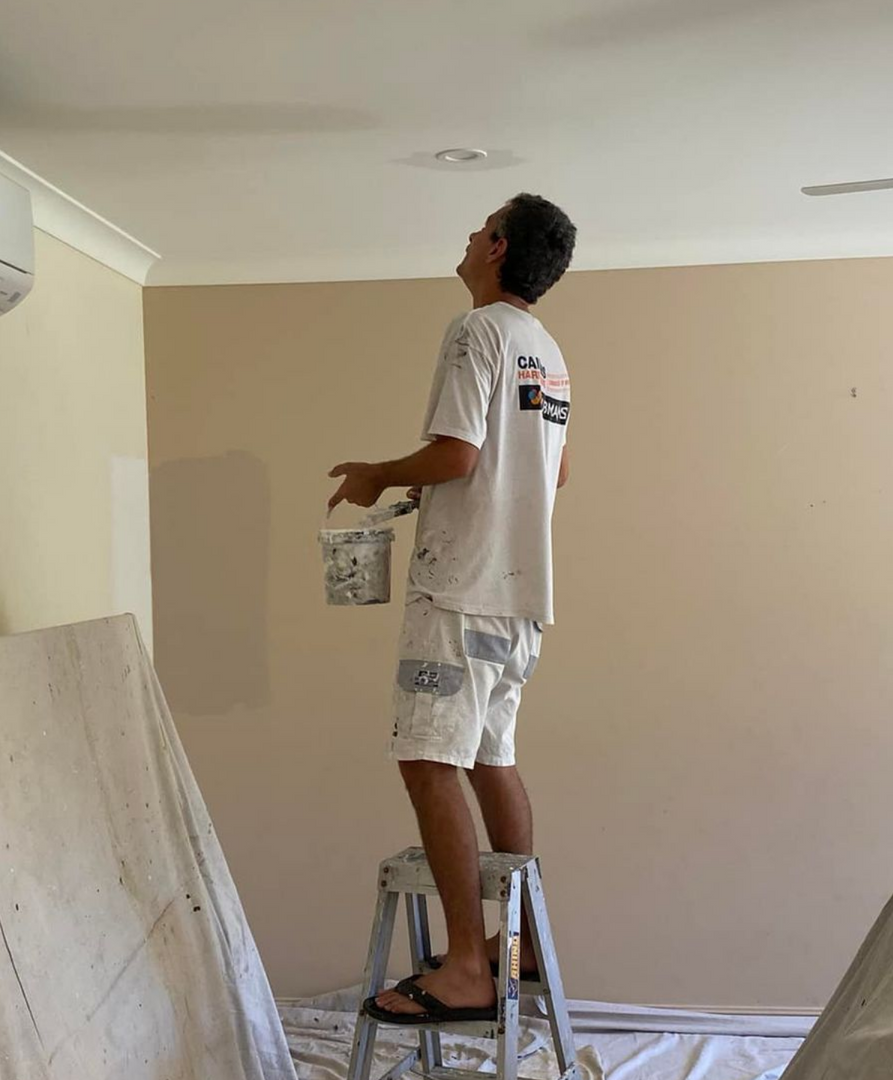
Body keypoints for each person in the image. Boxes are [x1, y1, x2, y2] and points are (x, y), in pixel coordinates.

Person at [326, 193, 577, 1024]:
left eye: (479, 228)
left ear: (499, 247)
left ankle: (470, 966)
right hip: (520, 598)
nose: (468, 238)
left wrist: (378, 474)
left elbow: (457, 453)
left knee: (428, 760)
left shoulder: (476, 334)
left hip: (461, 592)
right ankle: (522, 947)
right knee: (490, 758)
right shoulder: (548, 353)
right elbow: (553, 475)